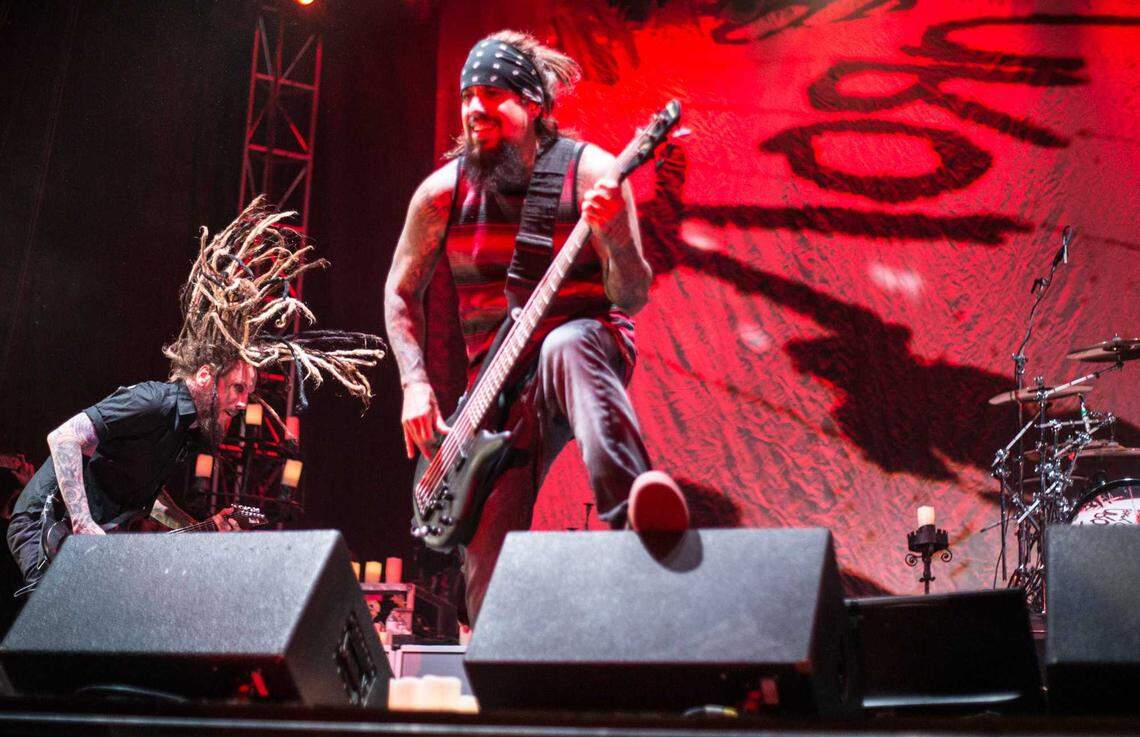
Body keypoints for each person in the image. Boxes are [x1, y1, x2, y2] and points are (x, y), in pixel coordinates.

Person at [384, 30, 688, 624]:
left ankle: (635, 512)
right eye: (468, 94)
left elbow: (631, 294)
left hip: (584, 350)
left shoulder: (591, 173)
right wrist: (414, 382)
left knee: (563, 344)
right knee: (489, 581)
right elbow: (401, 291)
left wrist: (614, 234)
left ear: (534, 106)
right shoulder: (440, 196)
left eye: (493, 93)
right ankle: (498, 680)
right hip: (492, 398)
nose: (475, 106)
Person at [7, 199, 386, 591]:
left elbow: (144, 499)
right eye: (238, 388)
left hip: (90, 535)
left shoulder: (184, 433)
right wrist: (84, 523)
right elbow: (64, 437)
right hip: (45, 525)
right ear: (206, 376)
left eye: (249, 393)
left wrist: (198, 528)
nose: (243, 403)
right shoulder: (154, 401)